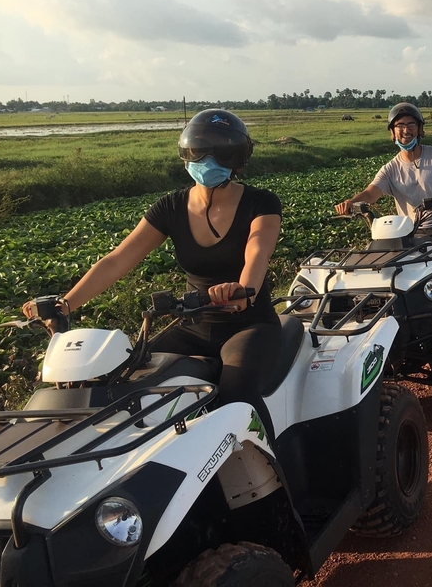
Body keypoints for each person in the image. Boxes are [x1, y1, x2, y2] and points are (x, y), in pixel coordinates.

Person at [23, 109, 283, 439]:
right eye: (198, 151)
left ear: (237, 159)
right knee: (127, 383)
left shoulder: (261, 203)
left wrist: (244, 289)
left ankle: (272, 479)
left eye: (217, 152)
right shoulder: (170, 207)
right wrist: (65, 304)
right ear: (186, 154)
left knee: (236, 396)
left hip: (249, 325)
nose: (204, 159)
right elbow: (118, 260)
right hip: (192, 324)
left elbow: (257, 250)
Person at [335, 102, 432, 236]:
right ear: (393, 132)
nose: (406, 130)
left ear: (419, 129)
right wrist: (351, 202)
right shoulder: (390, 170)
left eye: (411, 124)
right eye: (400, 125)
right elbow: (370, 193)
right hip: (413, 232)